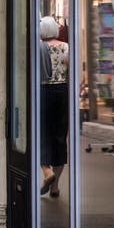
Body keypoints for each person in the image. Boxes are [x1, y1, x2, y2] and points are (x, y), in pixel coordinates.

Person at [38, 16, 70, 198]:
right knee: (59, 137)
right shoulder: (66, 47)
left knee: (43, 133)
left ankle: (47, 171)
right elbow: (70, 69)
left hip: (44, 90)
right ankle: (55, 186)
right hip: (62, 92)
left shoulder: (40, 48)